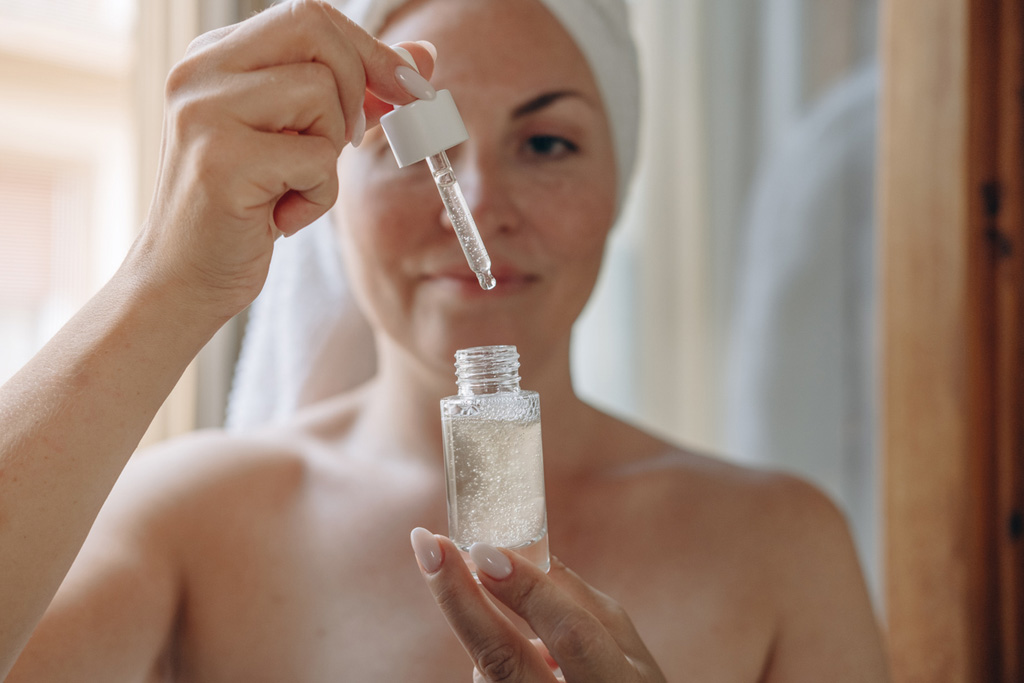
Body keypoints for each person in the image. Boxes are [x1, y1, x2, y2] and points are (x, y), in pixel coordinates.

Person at [1, 0, 891, 680]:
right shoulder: (184, 520)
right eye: (414, 145)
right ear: (326, 184)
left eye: (546, 142)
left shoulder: (781, 546)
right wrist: (166, 278)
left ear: (620, 186)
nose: (480, 204)